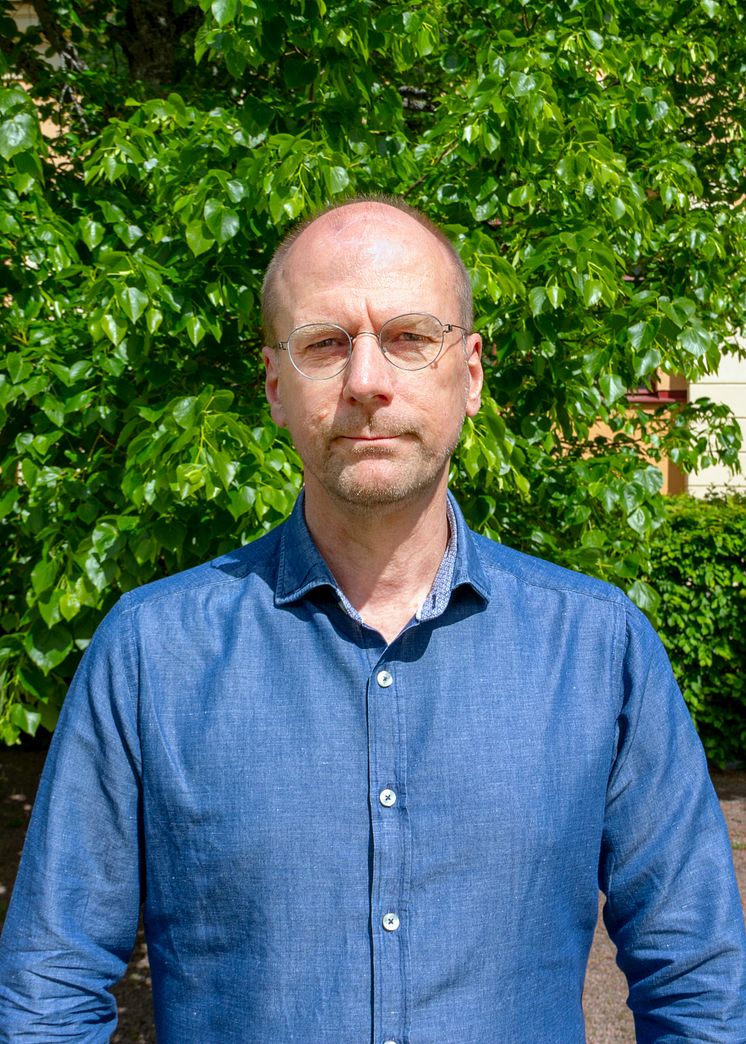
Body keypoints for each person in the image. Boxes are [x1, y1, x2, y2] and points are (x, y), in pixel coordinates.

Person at [1, 197, 744, 1043]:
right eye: (324, 345)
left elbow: (699, 986)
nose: (366, 381)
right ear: (276, 389)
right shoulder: (149, 653)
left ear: (468, 375)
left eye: (407, 337)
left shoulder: (599, 648)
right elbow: (49, 992)